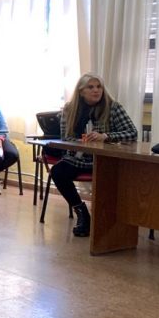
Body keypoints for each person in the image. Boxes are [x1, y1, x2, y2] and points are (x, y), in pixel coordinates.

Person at [50, 73, 137, 237]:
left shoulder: (113, 107)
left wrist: (106, 136)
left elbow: (132, 133)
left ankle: (112, 220)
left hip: (105, 159)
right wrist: (81, 142)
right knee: (58, 171)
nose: (96, 90)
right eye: (91, 87)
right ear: (81, 91)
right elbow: (65, 138)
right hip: (78, 158)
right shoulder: (70, 109)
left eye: (99, 87)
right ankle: (81, 212)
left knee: (117, 177)